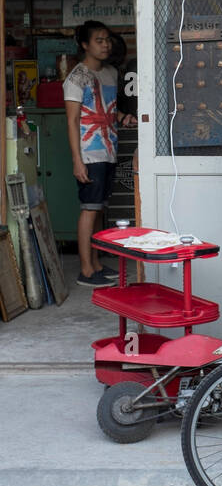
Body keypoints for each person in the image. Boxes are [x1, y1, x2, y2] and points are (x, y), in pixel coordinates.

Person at [63, 21, 136, 288]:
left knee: (99, 211)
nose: (105, 45)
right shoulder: (76, 78)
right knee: (89, 210)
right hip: (89, 155)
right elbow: (72, 121)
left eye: (107, 40)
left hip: (109, 150)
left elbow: (107, 108)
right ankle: (86, 270)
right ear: (85, 45)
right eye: (99, 40)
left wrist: (124, 117)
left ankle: (95, 263)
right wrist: (77, 161)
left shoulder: (110, 73)